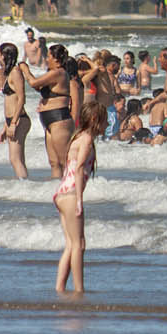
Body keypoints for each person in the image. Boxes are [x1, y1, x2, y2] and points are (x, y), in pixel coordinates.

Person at [52, 100, 106, 293]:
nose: (106, 125)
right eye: (104, 121)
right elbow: (80, 167)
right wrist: (80, 201)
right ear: (94, 119)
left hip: (61, 194)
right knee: (79, 244)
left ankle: (60, 288)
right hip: (71, 194)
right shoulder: (86, 140)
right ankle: (79, 290)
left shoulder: (78, 137)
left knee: (70, 245)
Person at [29, 43, 81, 178]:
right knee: (54, 162)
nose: (46, 59)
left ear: (55, 59)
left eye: (48, 56)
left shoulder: (59, 72)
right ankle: (56, 191)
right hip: (48, 120)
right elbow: (38, 87)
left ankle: (74, 191)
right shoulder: (52, 74)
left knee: (65, 162)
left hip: (59, 119)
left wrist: (24, 69)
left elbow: (33, 82)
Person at [0, 42, 34, 178]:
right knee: (18, 159)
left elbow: (21, 98)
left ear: (4, 55)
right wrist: (5, 126)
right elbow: (9, 102)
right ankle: (25, 186)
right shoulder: (8, 73)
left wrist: (13, 123)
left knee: (15, 159)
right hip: (12, 120)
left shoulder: (15, 72)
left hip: (19, 120)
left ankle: (25, 187)